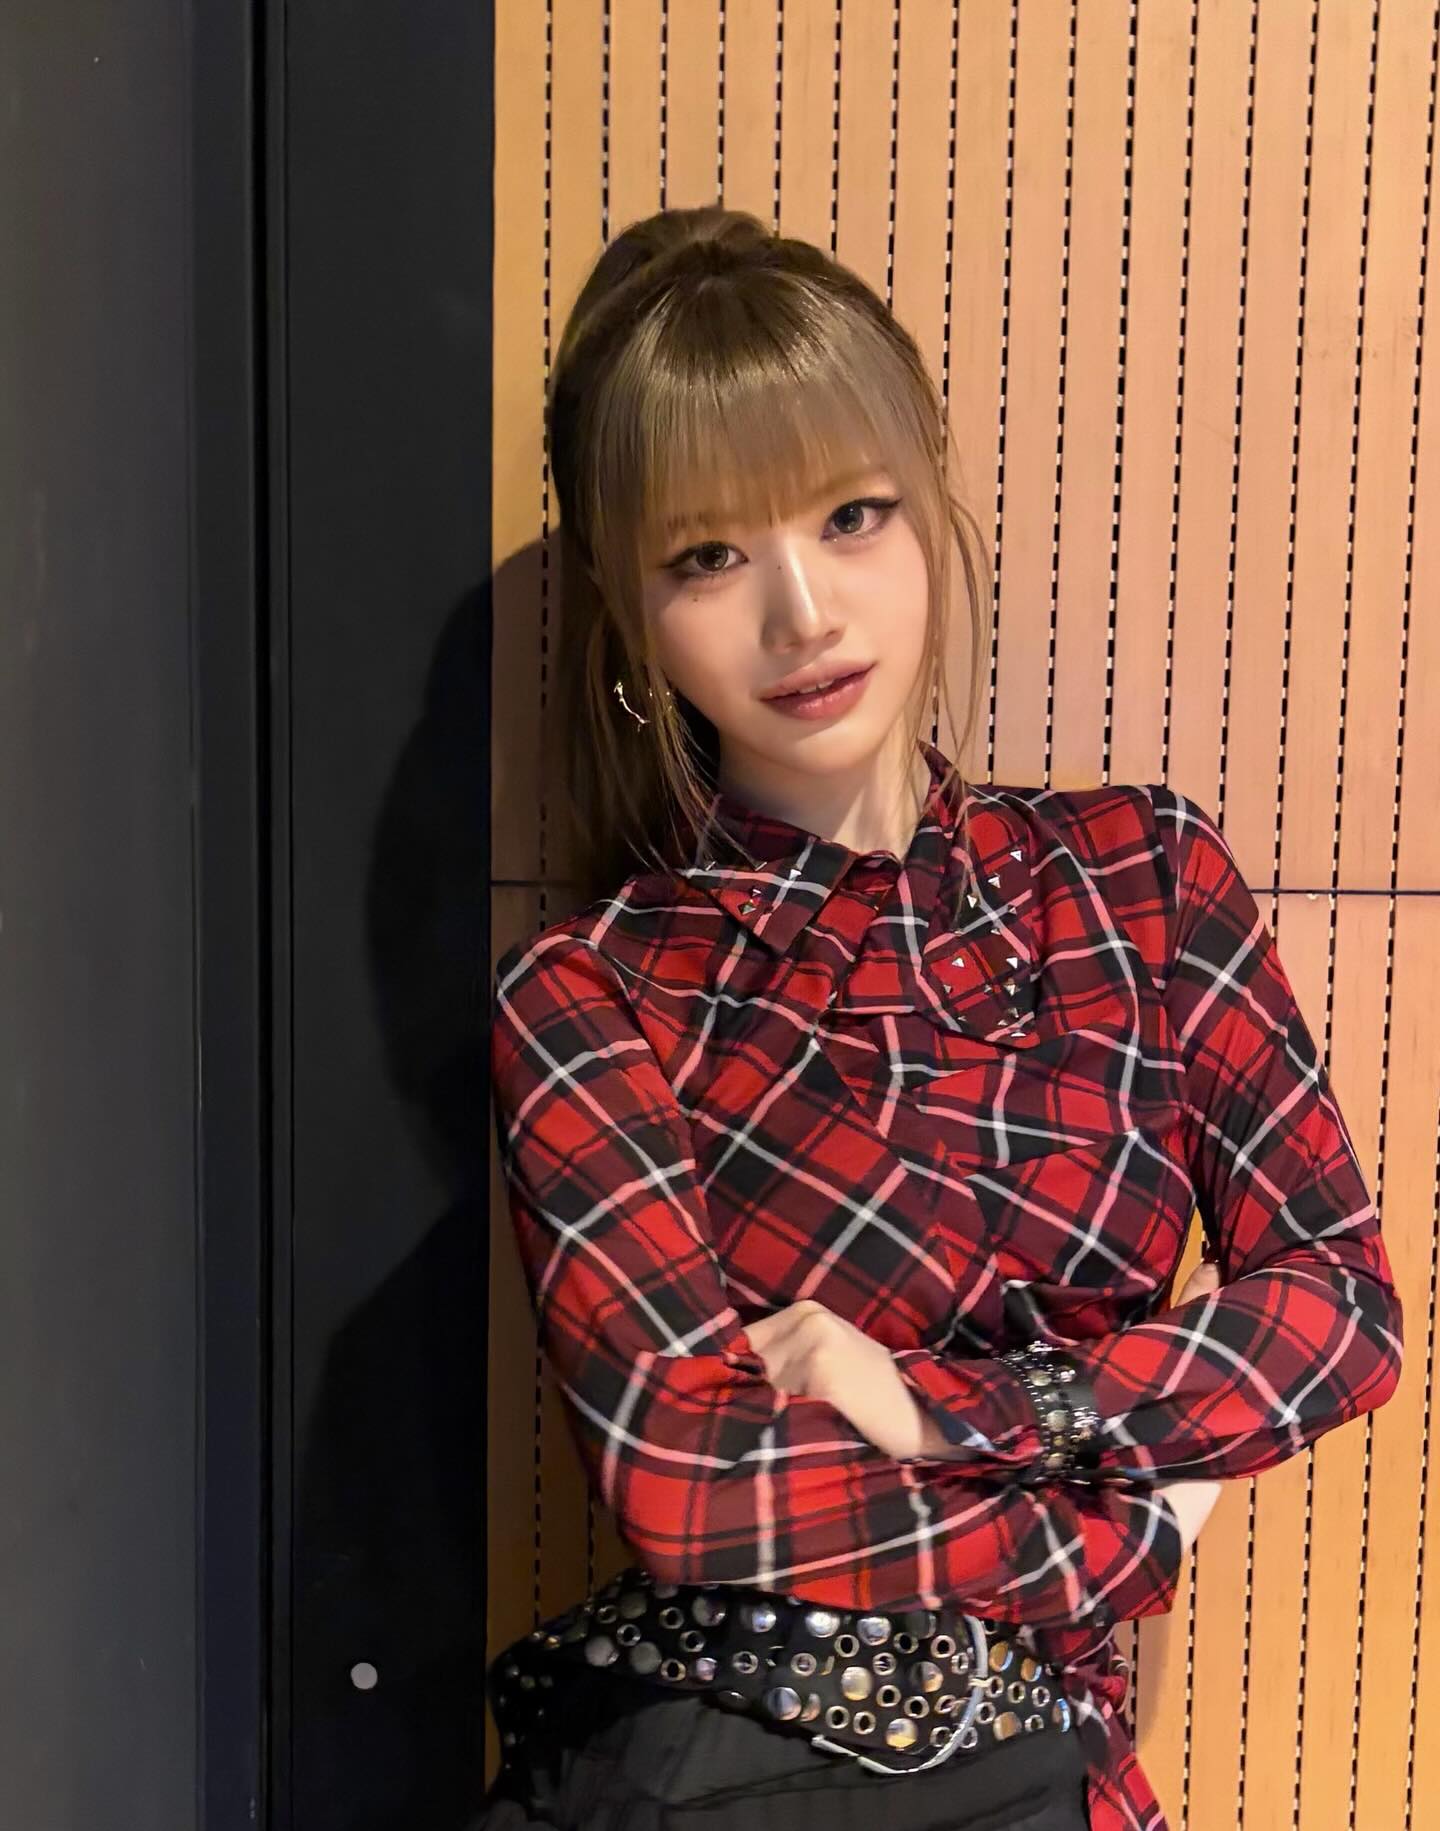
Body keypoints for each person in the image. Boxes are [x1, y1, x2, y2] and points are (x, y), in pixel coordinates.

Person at [473, 206, 1404, 1831]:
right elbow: (697, 1490)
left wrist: (959, 1409)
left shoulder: (1142, 877)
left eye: (851, 515)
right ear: (630, 615)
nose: (803, 615)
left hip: (1061, 1786)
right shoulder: (593, 994)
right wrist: (1126, 1529)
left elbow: (1339, 1306)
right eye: (708, 557)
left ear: (930, 506)